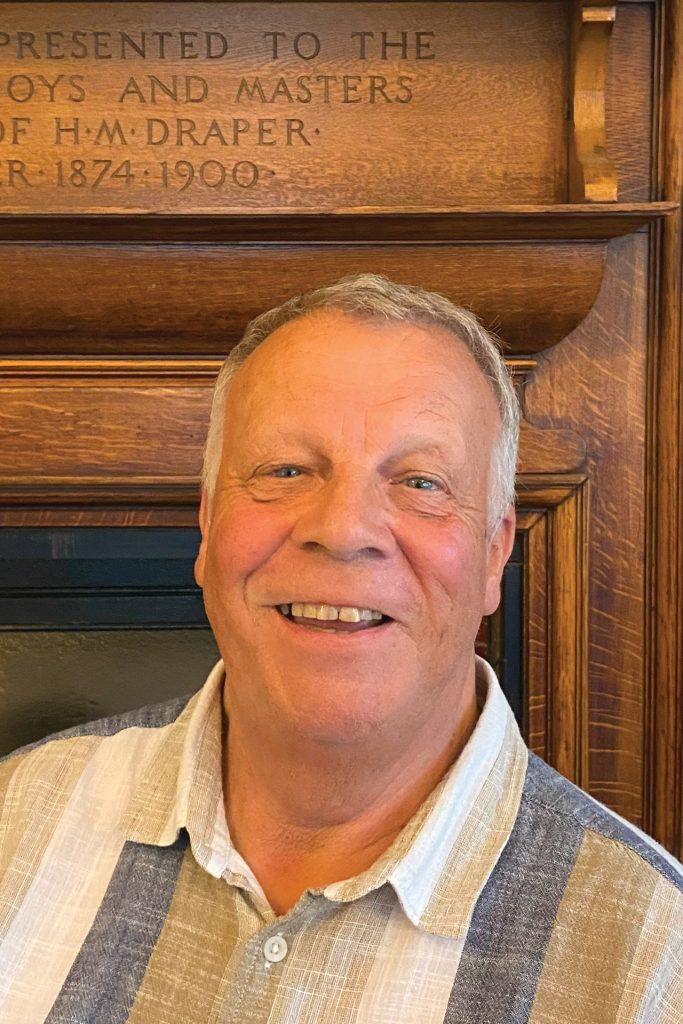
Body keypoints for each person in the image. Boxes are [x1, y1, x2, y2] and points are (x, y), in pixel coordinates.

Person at [0, 274, 681, 1024]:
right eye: (286, 470)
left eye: (421, 482)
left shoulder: (654, 960)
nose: (344, 529)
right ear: (208, 526)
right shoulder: (15, 819)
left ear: (493, 555)